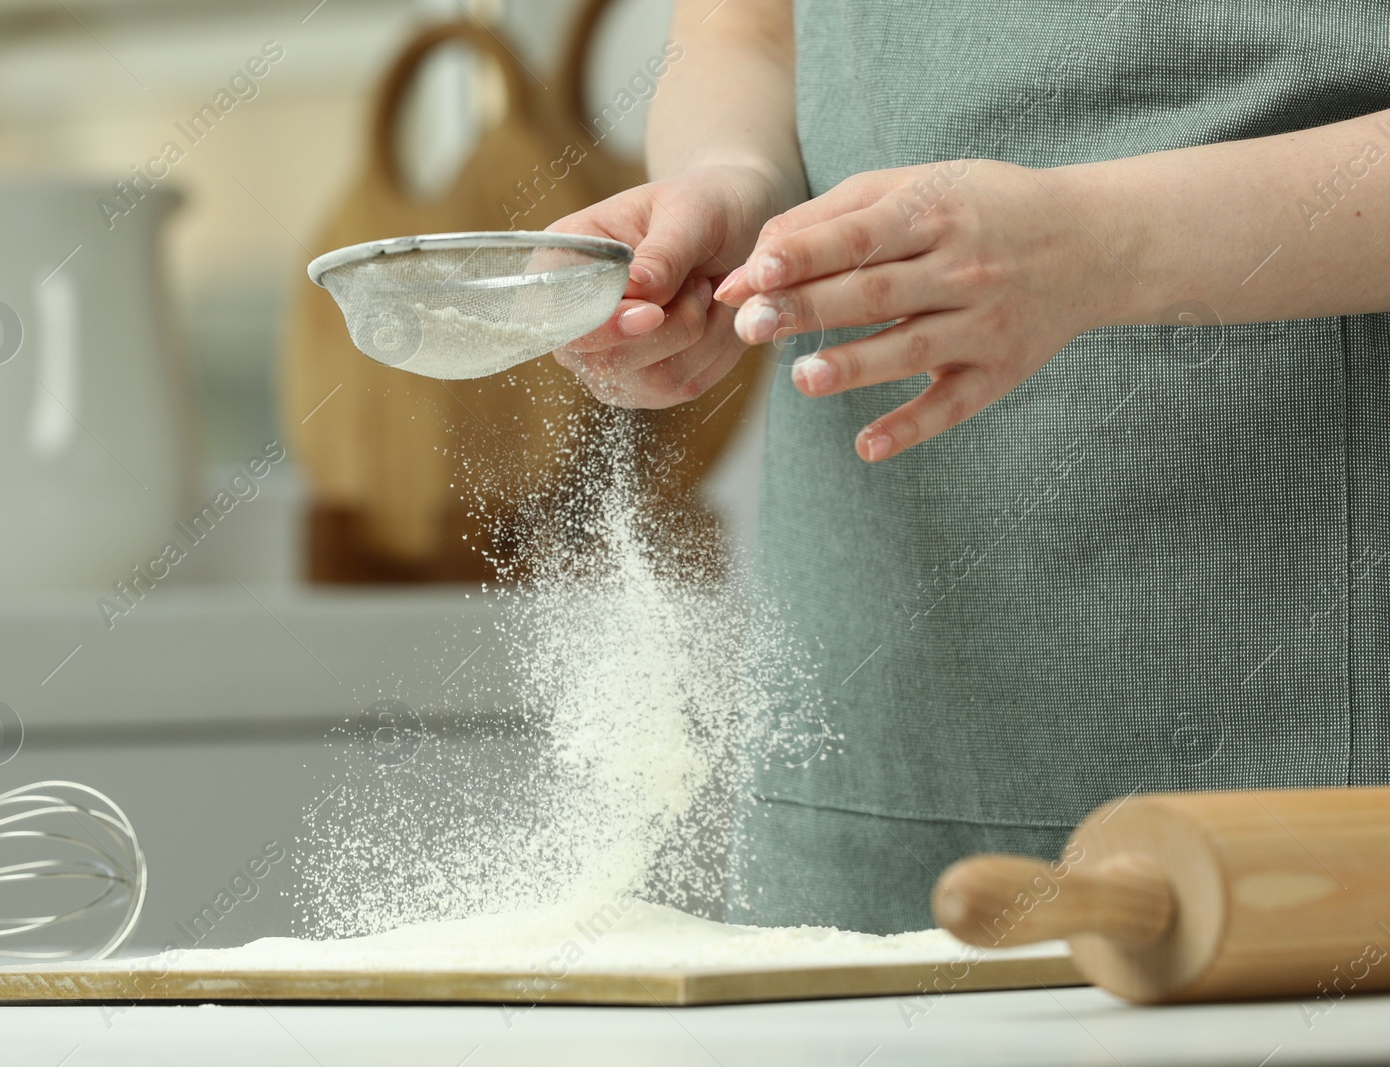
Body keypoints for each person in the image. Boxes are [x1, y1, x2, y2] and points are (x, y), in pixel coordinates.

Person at [549, 0, 1390, 933]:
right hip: (879, 719)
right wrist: (730, 181)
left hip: (1319, 710)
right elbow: (742, 33)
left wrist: (1101, 239)